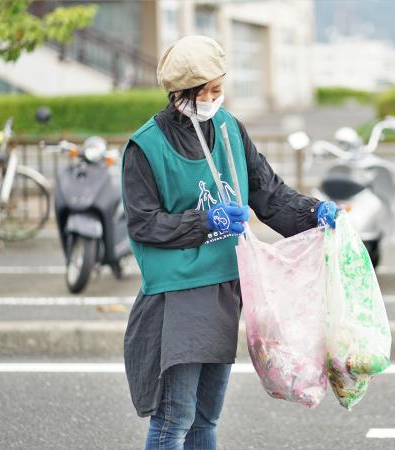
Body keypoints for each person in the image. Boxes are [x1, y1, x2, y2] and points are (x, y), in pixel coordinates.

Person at [121, 35, 337, 450]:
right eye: (211, 91)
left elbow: (268, 194)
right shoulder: (145, 147)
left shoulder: (229, 128)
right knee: (175, 419)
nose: (219, 98)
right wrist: (207, 220)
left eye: (221, 88)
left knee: (206, 419)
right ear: (184, 93)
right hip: (177, 295)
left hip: (225, 287)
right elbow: (144, 224)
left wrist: (315, 213)